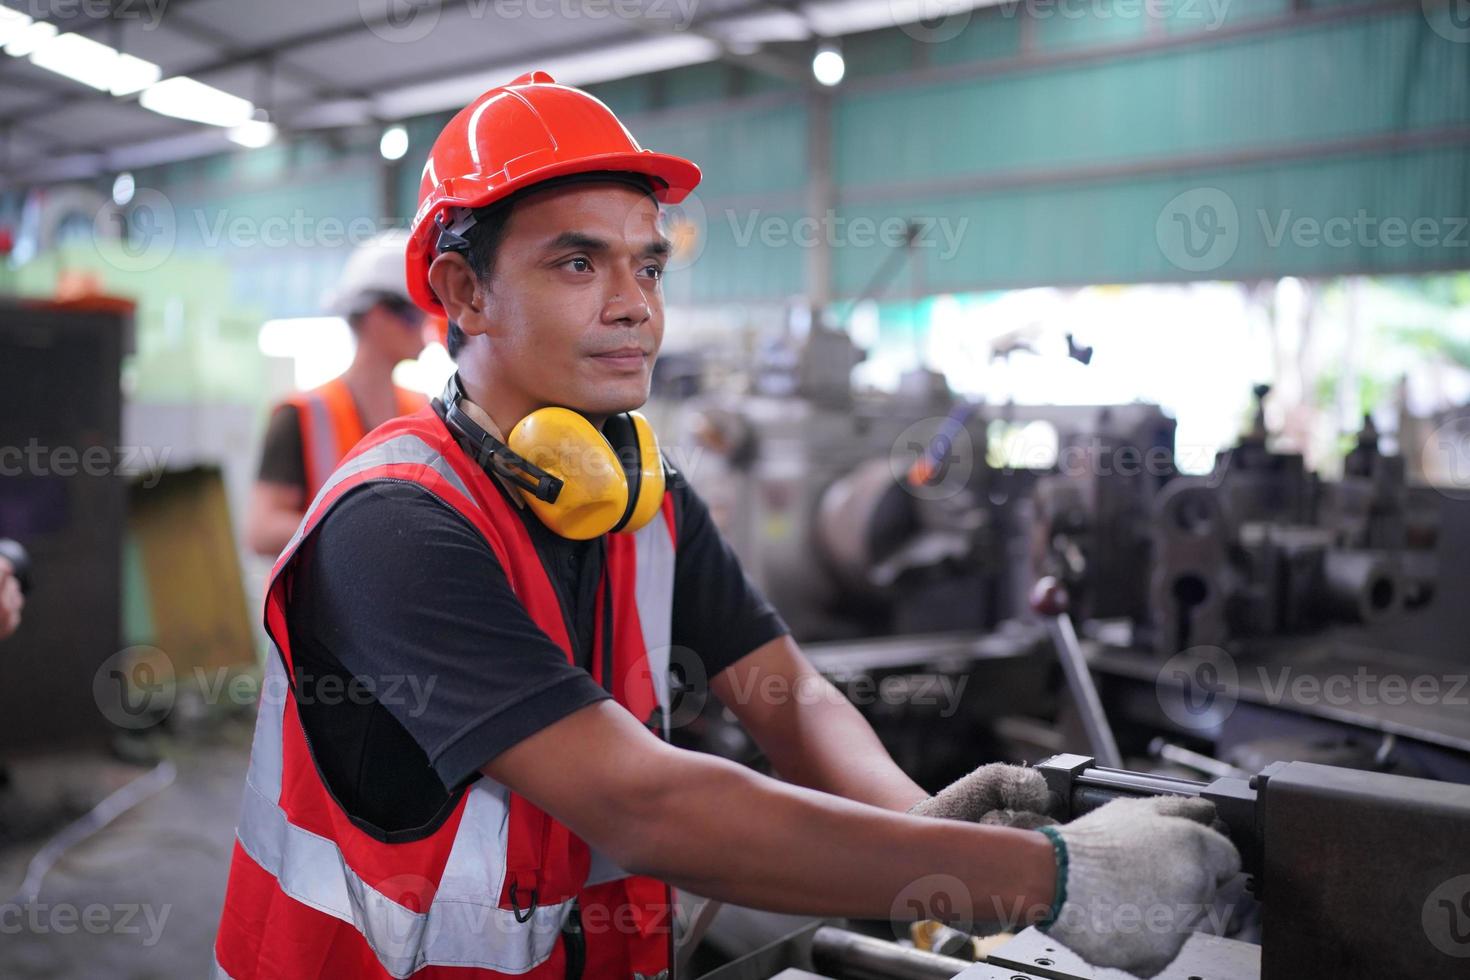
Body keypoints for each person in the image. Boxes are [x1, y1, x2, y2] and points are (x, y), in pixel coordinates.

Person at [214, 71, 1238, 980]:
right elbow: (642, 802)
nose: (636, 308)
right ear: (462, 290)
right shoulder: (392, 526)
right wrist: (1043, 877)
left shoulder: (638, 491)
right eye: (579, 264)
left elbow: (788, 694)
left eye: (649, 267)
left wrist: (915, 821)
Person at [244, 230, 430, 556]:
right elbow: (262, 530)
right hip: (326, 600)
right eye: (414, 315)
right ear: (377, 315)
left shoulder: (422, 410)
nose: (426, 329)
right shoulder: (301, 415)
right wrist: (364, 529)